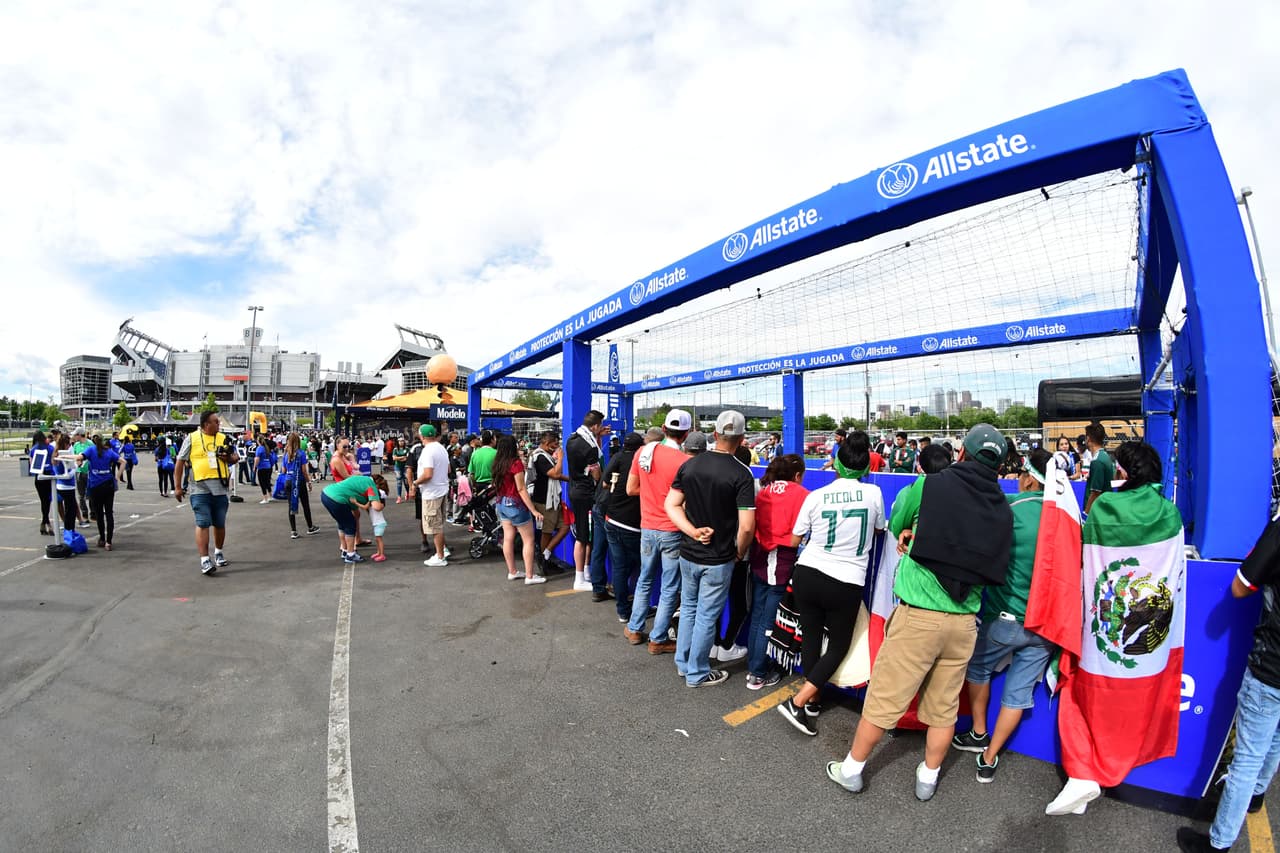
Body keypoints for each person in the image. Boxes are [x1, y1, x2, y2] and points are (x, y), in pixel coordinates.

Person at [826, 423, 1012, 801]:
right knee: (943, 709)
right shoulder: (1001, 507)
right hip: (964, 623)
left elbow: (897, 523)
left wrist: (913, 533)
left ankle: (852, 770)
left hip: (919, 616)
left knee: (884, 699)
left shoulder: (930, 485)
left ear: (963, 453)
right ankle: (928, 779)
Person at [1046, 441, 1185, 816]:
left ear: (1122, 472)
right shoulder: (1169, 513)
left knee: (1078, 693)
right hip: (1148, 648)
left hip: (1100, 634)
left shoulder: (1105, 507)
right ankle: (1090, 773)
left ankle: (1085, 773)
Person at [952, 448, 1057, 782]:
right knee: (1018, 694)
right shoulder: (1070, 519)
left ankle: (979, 732)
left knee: (978, 667)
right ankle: (990, 756)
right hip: (1046, 625)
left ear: (1027, 478)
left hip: (1005, 616)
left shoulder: (1011, 510)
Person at [1178, 508, 1280, 852]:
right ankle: (1255, 797)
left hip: (1273, 663)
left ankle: (1219, 843)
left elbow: (1241, 586)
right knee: (1276, 739)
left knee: (1247, 757)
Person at [778, 432, 886, 734]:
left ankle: (813, 697)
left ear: (836, 464)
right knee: (837, 645)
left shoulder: (816, 496)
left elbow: (796, 538)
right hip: (846, 580)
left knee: (811, 636)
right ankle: (799, 702)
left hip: (808, 572)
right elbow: (879, 530)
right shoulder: (873, 495)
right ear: (865, 467)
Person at [665, 410, 757, 688]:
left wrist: (692, 531)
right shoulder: (742, 473)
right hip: (718, 557)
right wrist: (739, 551)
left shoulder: (690, 464)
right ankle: (697, 671)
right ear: (741, 439)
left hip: (689, 551)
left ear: (714, 434)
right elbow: (747, 527)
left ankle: (684, 663)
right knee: (706, 614)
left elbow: (671, 504)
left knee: (690, 609)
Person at [623, 409, 693, 654]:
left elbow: (631, 488)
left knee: (645, 578)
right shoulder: (685, 462)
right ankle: (658, 638)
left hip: (647, 526)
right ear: (686, 434)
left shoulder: (643, 452)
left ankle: (634, 627)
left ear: (663, 429)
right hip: (672, 529)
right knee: (669, 586)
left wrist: (653, 494)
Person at [746, 453, 808, 690]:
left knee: (758, 615)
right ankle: (758, 672)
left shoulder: (765, 491)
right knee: (768, 620)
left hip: (760, 556)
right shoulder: (801, 494)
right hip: (779, 559)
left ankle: (754, 666)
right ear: (797, 475)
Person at [173, 412, 239, 574]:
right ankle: (205, 560)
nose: (219, 425)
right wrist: (178, 486)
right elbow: (180, 461)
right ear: (206, 424)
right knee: (203, 522)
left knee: (219, 523)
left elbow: (235, 457)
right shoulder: (192, 438)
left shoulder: (224, 438)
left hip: (220, 488)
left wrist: (229, 458)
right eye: (216, 422)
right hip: (199, 488)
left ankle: (218, 551)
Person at [565, 411, 611, 593]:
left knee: (585, 534)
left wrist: (598, 437)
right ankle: (579, 577)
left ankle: (584, 572)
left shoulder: (572, 439)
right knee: (584, 536)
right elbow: (596, 472)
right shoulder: (589, 447)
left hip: (575, 489)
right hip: (586, 492)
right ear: (595, 426)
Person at [490, 434, 544, 584]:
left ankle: (512, 571)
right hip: (515, 504)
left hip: (501, 503)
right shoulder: (515, 463)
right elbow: (521, 489)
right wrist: (533, 510)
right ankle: (530, 576)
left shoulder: (497, 463)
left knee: (508, 538)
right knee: (529, 540)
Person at [603, 432, 644, 623]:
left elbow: (604, 481)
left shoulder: (618, 457)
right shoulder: (642, 462)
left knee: (619, 566)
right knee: (640, 566)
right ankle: (635, 604)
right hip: (632, 524)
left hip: (612, 518)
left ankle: (622, 610)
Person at [321, 473, 388, 565]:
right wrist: (381, 501)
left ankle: (344, 550)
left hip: (326, 494)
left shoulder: (360, 479)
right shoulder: (371, 486)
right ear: (378, 485)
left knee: (342, 524)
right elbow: (376, 507)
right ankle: (350, 555)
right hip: (337, 499)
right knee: (350, 526)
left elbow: (355, 510)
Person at [528, 432, 570, 574]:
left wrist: (571, 479)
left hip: (552, 499)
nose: (556, 448)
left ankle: (546, 554)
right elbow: (555, 474)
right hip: (545, 501)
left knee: (565, 526)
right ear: (547, 444)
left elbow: (555, 476)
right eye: (554, 445)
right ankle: (544, 560)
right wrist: (560, 458)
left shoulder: (544, 456)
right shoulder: (540, 457)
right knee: (547, 531)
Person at [411, 424, 451, 567]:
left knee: (434, 527)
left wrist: (415, 483)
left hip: (431, 493)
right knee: (438, 524)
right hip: (442, 489)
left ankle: (440, 556)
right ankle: (443, 550)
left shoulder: (428, 451)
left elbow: (428, 474)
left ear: (421, 436)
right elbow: (448, 469)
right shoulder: (441, 448)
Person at [78, 434, 121, 550]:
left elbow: (80, 457)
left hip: (95, 485)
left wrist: (77, 462)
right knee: (109, 513)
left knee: (99, 514)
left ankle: (102, 538)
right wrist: (117, 476)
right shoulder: (109, 452)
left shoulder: (91, 450)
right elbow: (123, 461)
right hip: (108, 484)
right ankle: (109, 541)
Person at [282, 433, 320, 540]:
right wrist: (309, 482)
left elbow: (283, 470)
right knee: (305, 504)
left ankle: (293, 531)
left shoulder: (286, 454)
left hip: (288, 481)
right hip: (299, 481)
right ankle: (310, 527)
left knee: (291, 505)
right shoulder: (301, 453)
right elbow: (304, 470)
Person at [1082, 421, 1114, 514]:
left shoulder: (1097, 461)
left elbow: (1095, 492)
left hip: (1098, 511)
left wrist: (1086, 514)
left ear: (1088, 439)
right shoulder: (1105, 456)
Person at [28, 430, 55, 536]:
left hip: (39, 477)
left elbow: (31, 464)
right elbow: (53, 460)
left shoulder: (34, 449)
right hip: (48, 476)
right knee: (47, 501)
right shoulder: (49, 448)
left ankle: (45, 522)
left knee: (44, 501)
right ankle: (46, 522)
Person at [52, 434, 78, 535]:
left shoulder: (55, 454)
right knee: (70, 512)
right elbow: (67, 474)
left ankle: (69, 531)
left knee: (69, 511)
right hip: (67, 486)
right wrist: (76, 467)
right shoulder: (63, 455)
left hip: (60, 486)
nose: (70, 446)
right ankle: (69, 532)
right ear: (65, 444)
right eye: (69, 444)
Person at [72, 427, 91, 523]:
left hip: (88, 471)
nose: (74, 437)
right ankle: (84, 514)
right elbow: (74, 456)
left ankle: (94, 513)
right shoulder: (76, 445)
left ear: (80, 435)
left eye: (76, 435)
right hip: (79, 471)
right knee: (81, 495)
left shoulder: (90, 444)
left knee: (91, 493)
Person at [392, 437, 410, 502]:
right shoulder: (395, 449)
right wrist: (402, 457)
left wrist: (398, 458)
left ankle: (407, 493)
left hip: (405, 467)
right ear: (398, 442)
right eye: (400, 441)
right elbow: (394, 458)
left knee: (406, 481)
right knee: (399, 481)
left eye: (402, 441)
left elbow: (407, 458)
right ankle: (399, 497)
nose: (401, 442)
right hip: (397, 467)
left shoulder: (407, 449)